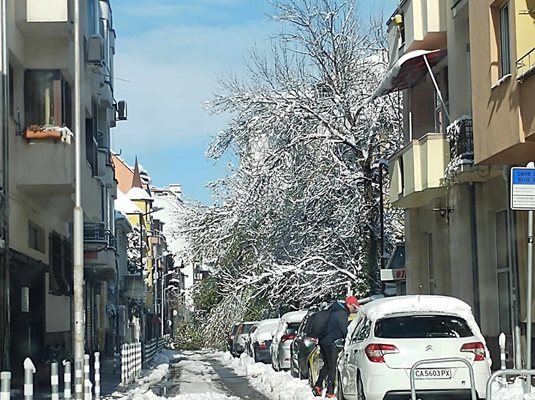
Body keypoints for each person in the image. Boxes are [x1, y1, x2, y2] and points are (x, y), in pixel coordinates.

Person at [313, 296, 359, 398]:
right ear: (349, 304)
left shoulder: (334, 309)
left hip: (324, 341)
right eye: (354, 307)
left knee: (327, 365)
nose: (353, 310)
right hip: (332, 343)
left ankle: (318, 385)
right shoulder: (341, 313)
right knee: (332, 367)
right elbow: (345, 331)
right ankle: (330, 391)